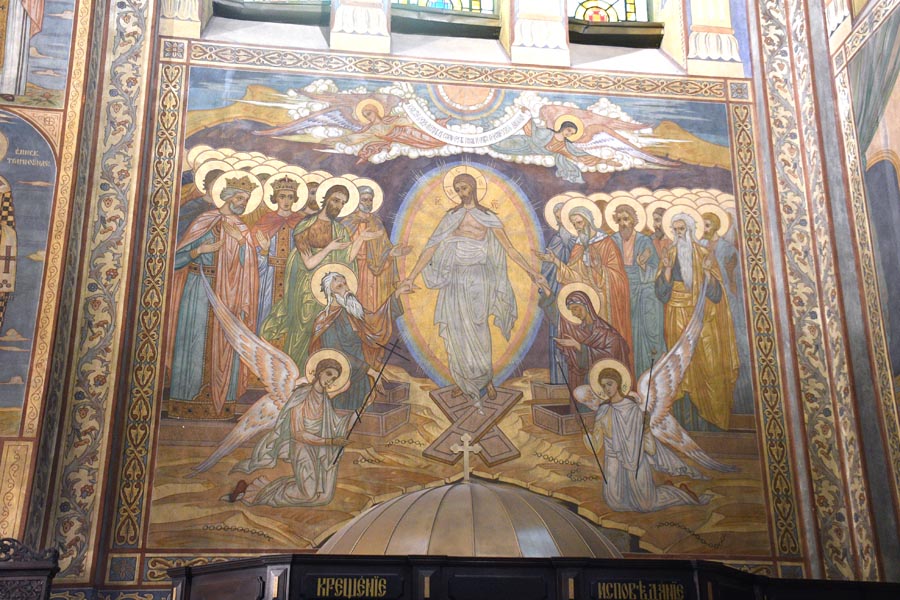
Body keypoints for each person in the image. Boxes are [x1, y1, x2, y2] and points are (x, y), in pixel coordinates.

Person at [400, 169, 548, 407]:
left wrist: (532, 273)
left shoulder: (487, 217)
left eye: (464, 188)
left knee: (479, 329)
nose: (461, 193)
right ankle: (463, 383)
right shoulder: (451, 217)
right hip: (454, 279)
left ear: (474, 188)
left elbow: (509, 249)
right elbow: (431, 247)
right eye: (457, 189)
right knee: (456, 331)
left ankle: (486, 380)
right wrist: (411, 277)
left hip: (479, 278)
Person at [168, 173, 261, 420]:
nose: (242, 203)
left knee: (225, 343)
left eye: (246, 200)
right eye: (239, 198)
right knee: (193, 341)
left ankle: (223, 405)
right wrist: (199, 250)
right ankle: (185, 403)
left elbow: (251, 269)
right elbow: (175, 261)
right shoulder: (204, 220)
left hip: (228, 296)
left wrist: (241, 243)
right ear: (227, 196)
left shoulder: (242, 229)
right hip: (198, 289)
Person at [260, 180, 379, 368]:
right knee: (303, 329)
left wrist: (360, 239)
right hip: (306, 289)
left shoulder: (339, 229)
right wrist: (329, 248)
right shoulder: (305, 226)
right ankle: (295, 370)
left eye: (342, 203)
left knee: (323, 332)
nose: (338, 206)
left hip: (326, 289)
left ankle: (316, 371)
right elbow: (308, 263)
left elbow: (347, 258)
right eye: (335, 200)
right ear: (326, 199)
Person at [228, 356, 357, 507]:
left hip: (319, 449)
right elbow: (298, 433)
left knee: (324, 497)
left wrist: (359, 412)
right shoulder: (302, 395)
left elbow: (337, 426)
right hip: (302, 448)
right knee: (308, 494)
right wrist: (330, 441)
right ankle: (254, 494)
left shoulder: (325, 400)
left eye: (334, 378)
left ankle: (262, 488)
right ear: (319, 372)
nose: (330, 380)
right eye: (328, 374)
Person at [585, 364, 710, 512]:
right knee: (615, 504)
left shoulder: (633, 409)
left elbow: (650, 449)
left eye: (609, 384)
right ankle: (665, 489)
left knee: (646, 505)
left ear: (618, 383)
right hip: (613, 462)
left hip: (635, 460)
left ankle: (679, 493)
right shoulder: (603, 411)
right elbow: (596, 446)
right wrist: (586, 435)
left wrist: (646, 429)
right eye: (603, 385)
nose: (606, 389)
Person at [655, 212, 739, 431]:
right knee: (679, 367)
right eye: (675, 230)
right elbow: (661, 294)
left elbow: (717, 295)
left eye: (681, 229)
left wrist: (708, 273)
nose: (678, 234)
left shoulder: (703, 254)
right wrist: (666, 269)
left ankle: (712, 422)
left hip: (701, 316)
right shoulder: (669, 254)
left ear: (691, 230)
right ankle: (686, 426)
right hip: (675, 316)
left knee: (707, 365)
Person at [538, 205, 632, 354]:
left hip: (605, 305)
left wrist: (599, 269)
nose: (577, 227)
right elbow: (573, 276)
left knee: (605, 345)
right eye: (574, 224)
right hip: (585, 305)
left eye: (579, 223)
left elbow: (619, 278)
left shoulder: (607, 243)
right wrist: (555, 261)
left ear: (588, 221)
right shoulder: (579, 246)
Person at [308, 270, 408, 410]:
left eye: (345, 284)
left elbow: (376, 321)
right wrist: (371, 372)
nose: (346, 288)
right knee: (347, 412)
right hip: (343, 377)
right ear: (331, 294)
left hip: (363, 374)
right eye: (339, 286)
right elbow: (336, 355)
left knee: (364, 411)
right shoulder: (326, 321)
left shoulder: (352, 310)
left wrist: (396, 295)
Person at [701, 211, 753, 414]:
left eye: (706, 225)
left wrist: (712, 272)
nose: (703, 229)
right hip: (705, 305)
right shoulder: (701, 245)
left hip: (725, 304)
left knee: (729, 348)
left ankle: (737, 403)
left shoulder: (727, 249)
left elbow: (732, 281)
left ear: (715, 226)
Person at [610, 203, 666, 376]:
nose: (623, 223)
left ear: (633, 221)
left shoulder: (644, 241)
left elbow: (656, 271)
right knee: (626, 337)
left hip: (643, 294)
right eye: (619, 220)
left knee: (647, 337)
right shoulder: (612, 241)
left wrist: (642, 267)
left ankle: (650, 377)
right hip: (621, 293)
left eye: (626, 219)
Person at [342, 184, 409, 311]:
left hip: (375, 269)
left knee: (374, 304)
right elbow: (342, 249)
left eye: (370, 200)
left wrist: (392, 252)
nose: (368, 203)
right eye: (364, 199)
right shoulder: (347, 222)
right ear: (357, 201)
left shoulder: (377, 222)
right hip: (354, 268)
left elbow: (385, 247)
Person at [252, 175, 305, 328]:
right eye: (282, 196)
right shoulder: (265, 221)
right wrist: (264, 251)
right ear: (275, 198)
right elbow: (251, 256)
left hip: (294, 275)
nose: (286, 201)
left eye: (290, 197)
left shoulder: (302, 222)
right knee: (266, 313)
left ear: (295, 199)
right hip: (269, 275)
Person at [555, 288, 630, 385]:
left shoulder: (603, 329)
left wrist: (578, 346)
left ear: (586, 305)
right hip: (586, 380)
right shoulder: (579, 330)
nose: (574, 314)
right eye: (571, 311)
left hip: (605, 380)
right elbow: (579, 363)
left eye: (575, 308)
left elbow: (613, 352)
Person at [490, 118, 601, 184]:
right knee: (500, 145)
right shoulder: (548, 133)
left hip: (529, 152)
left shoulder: (565, 144)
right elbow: (533, 131)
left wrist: (599, 159)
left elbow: (576, 153)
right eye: (569, 130)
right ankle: (490, 135)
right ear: (563, 127)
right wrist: (527, 117)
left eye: (572, 133)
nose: (569, 134)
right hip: (525, 143)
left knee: (504, 150)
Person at [538, 199, 576, 384]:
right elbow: (549, 267)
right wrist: (547, 265)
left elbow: (576, 267)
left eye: (562, 215)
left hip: (573, 293)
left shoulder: (575, 240)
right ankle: (559, 381)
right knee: (557, 331)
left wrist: (554, 261)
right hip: (556, 291)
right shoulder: (556, 239)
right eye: (557, 217)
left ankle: (573, 380)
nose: (559, 220)